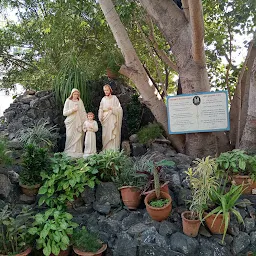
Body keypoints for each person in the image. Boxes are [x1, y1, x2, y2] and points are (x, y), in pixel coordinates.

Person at [63, 88, 87, 158]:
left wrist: (85, 121)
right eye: (74, 94)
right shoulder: (68, 101)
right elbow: (64, 113)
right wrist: (72, 110)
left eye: (77, 94)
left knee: (78, 136)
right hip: (71, 121)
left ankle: (78, 151)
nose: (76, 95)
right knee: (69, 135)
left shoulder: (80, 101)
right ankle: (68, 151)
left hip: (79, 121)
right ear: (72, 94)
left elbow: (83, 111)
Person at [98, 84, 123, 151]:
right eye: (105, 90)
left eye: (107, 90)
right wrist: (100, 116)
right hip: (105, 119)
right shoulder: (103, 99)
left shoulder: (114, 98)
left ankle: (114, 149)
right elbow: (100, 108)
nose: (106, 92)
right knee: (105, 135)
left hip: (112, 117)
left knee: (113, 133)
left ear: (110, 90)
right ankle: (106, 149)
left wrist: (112, 108)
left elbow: (119, 109)